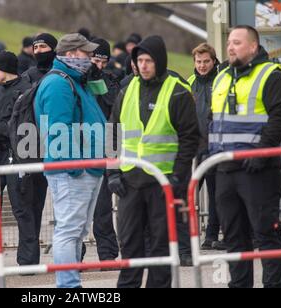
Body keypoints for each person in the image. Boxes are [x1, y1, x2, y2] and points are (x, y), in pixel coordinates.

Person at [108, 36, 199, 288]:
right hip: (129, 183)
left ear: (159, 61)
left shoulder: (178, 91)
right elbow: (111, 134)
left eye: (148, 60)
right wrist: (112, 173)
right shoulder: (127, 91)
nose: (144, 65)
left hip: (163, 183)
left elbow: (189, 139)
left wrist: (178, 177)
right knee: (129, 245)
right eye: (140, 61)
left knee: (161, 247)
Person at [208, 25, 281, 288]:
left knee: (266, 234)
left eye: (237, 42)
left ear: (253, 47)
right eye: (229, 43)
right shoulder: (222, 76)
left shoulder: (270, 74)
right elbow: (214, 120)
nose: (230, 47)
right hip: (224, 170)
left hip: (258, 171)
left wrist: (260, 153)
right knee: (234, 238)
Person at [34, 33, 106, 288]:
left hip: (85, 167)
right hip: (74, 169)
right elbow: (58, 130)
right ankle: (68, 286)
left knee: (75, 231)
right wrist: (75, 167)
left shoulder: (74, 81)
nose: (90, 57)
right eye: (86, 53)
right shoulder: (59, 84)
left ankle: (70, 283)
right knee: (68, 231)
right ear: (73, 54)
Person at [0, 51, 34, 267]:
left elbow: (19, 129)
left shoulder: (25, 92)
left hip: (15, 157)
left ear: (5, 70)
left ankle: (28, 262)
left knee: (21, 208)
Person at [187, 43, 226, 251]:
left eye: (206, 62)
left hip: (215, 145)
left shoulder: (221, 80)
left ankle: (211, 235)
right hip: (195, 146)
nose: (202, 66)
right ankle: (186, 238)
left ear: (213, 61)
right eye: (198, 62)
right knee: (188, 193)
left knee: (215, 194)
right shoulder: (190, 82)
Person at [87, 37, 120, 262]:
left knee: (102, 208)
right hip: (81, 147)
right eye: (94, 59)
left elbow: (114, 103)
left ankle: (107, 254)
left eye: (102, 60)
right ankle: (73, 257)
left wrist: (98, 79)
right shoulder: (76, 81)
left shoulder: (110, 80)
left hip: (106, 147)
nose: (98, 64)